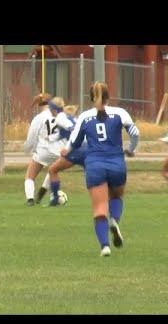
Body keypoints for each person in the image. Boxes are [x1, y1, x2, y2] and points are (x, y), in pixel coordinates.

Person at [61, 82, 139, 257]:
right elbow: (135, 133)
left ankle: (105, 246)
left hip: (95, 165)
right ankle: (114, 221)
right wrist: (131, 149)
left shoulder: (85, 117)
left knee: (99, 208)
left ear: (90, 98)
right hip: (117, 164)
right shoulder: (120, 113)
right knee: (117, 196)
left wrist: (67, 150)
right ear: (108, 96)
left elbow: (74, 140)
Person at [23, 94, 74, 206]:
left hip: (44, 150)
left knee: (30, 176)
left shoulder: (39, 117)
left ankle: (30, 200)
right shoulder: (62, 115)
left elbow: (32, 137)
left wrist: (28, 149)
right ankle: (42, 191)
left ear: (38, 105)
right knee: (53, 170)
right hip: (61, 150)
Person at [47, 105, 88, 206]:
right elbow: (63, 134)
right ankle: (106, 199)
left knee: (53, 170)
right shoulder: (76, 119)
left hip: (76, 149)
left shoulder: (60, 118)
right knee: (93, 178)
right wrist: (50, 138)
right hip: (88, 149)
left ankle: (55, 199)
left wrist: (67, 148)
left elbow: (72, 130)